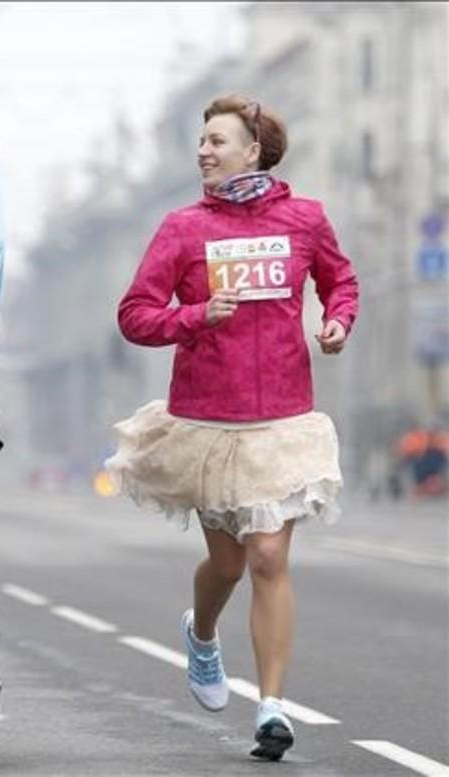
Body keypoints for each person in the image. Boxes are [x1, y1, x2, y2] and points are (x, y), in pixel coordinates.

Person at [105, 95, 359, 762]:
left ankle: (271, 706)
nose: (204, 151)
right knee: (227, 563)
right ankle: (203, 633)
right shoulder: (183, 229)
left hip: (282, 417)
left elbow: (342, 282)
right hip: (207, 422)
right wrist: (195, 317)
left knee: (270, 557)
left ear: (255, 150)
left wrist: (336, 322)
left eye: (218, 141)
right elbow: (135, 314)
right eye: (202, 142)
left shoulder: (305, 220)